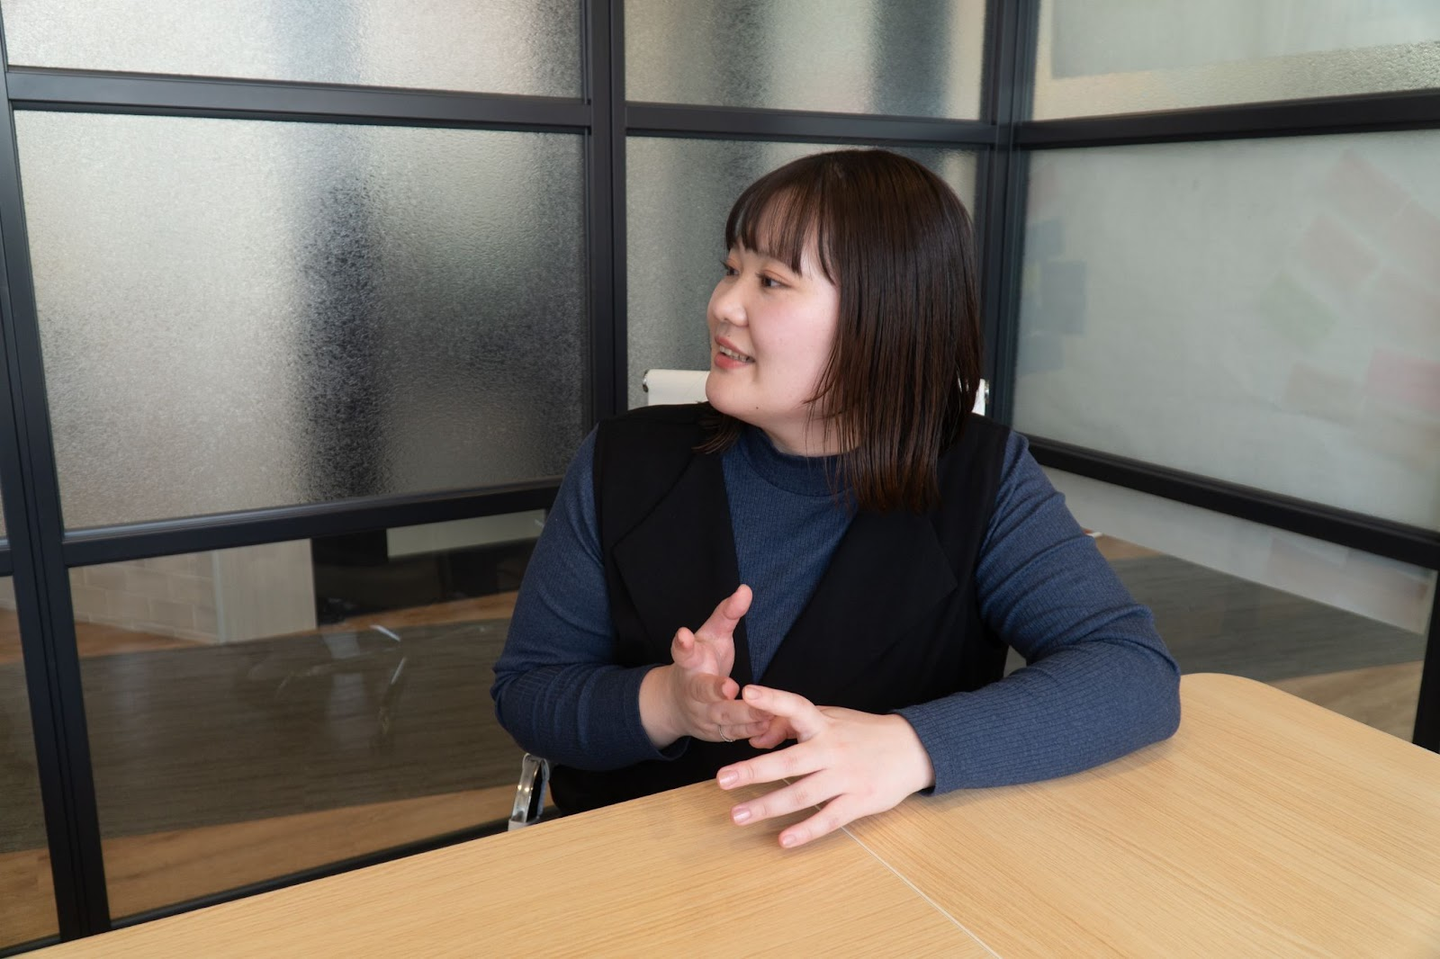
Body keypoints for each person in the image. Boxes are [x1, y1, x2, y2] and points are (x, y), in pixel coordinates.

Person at [491, 149, 1180, 848]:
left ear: (885, 319)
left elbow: (1131, 671)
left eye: (771, 281)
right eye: (732, 269)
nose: (724, 305)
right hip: (640, 865)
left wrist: (911, 745)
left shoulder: (980, 475)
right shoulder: (624, 461)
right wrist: (668, 701)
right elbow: (529, 692)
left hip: (884, 871)